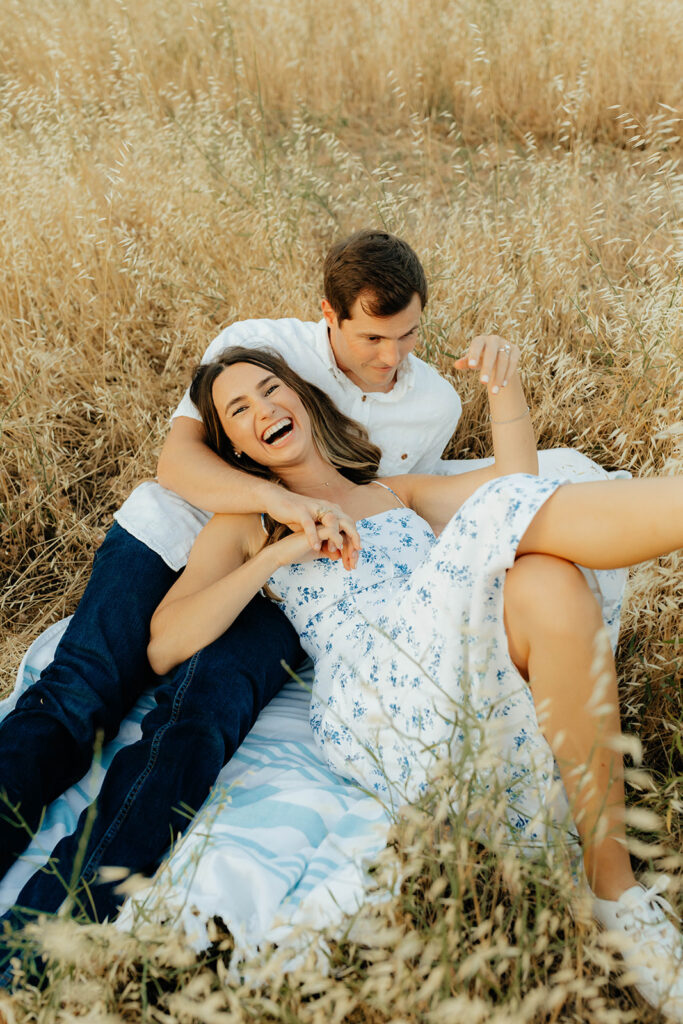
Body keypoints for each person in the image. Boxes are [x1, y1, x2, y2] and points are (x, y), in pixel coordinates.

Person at [0, 231, 622, 954]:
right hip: (179, 533)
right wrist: (279, 512)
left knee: (194, 726)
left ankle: (38, 944)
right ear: (327, 317)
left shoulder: (426, 415)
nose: (391, 357)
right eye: (371, 337)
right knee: (76, 694)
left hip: (279, 580)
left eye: (408, 335)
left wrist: (500, 396)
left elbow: (472, 498)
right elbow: (178, 464)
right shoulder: (256, 348)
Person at [148, 346, 683, 1020]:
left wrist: (505, 389)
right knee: (519, 535)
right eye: (239, 410)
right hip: (380, 696)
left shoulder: (388, 491)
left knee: (546, 576)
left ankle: (615, 894)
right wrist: (283, 547)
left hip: (458, 656)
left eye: (269, 389)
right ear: (233, 446)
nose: (264, 410)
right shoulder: (246, 524)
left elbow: (514, 484)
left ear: (302, 398)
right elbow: (166, 643)